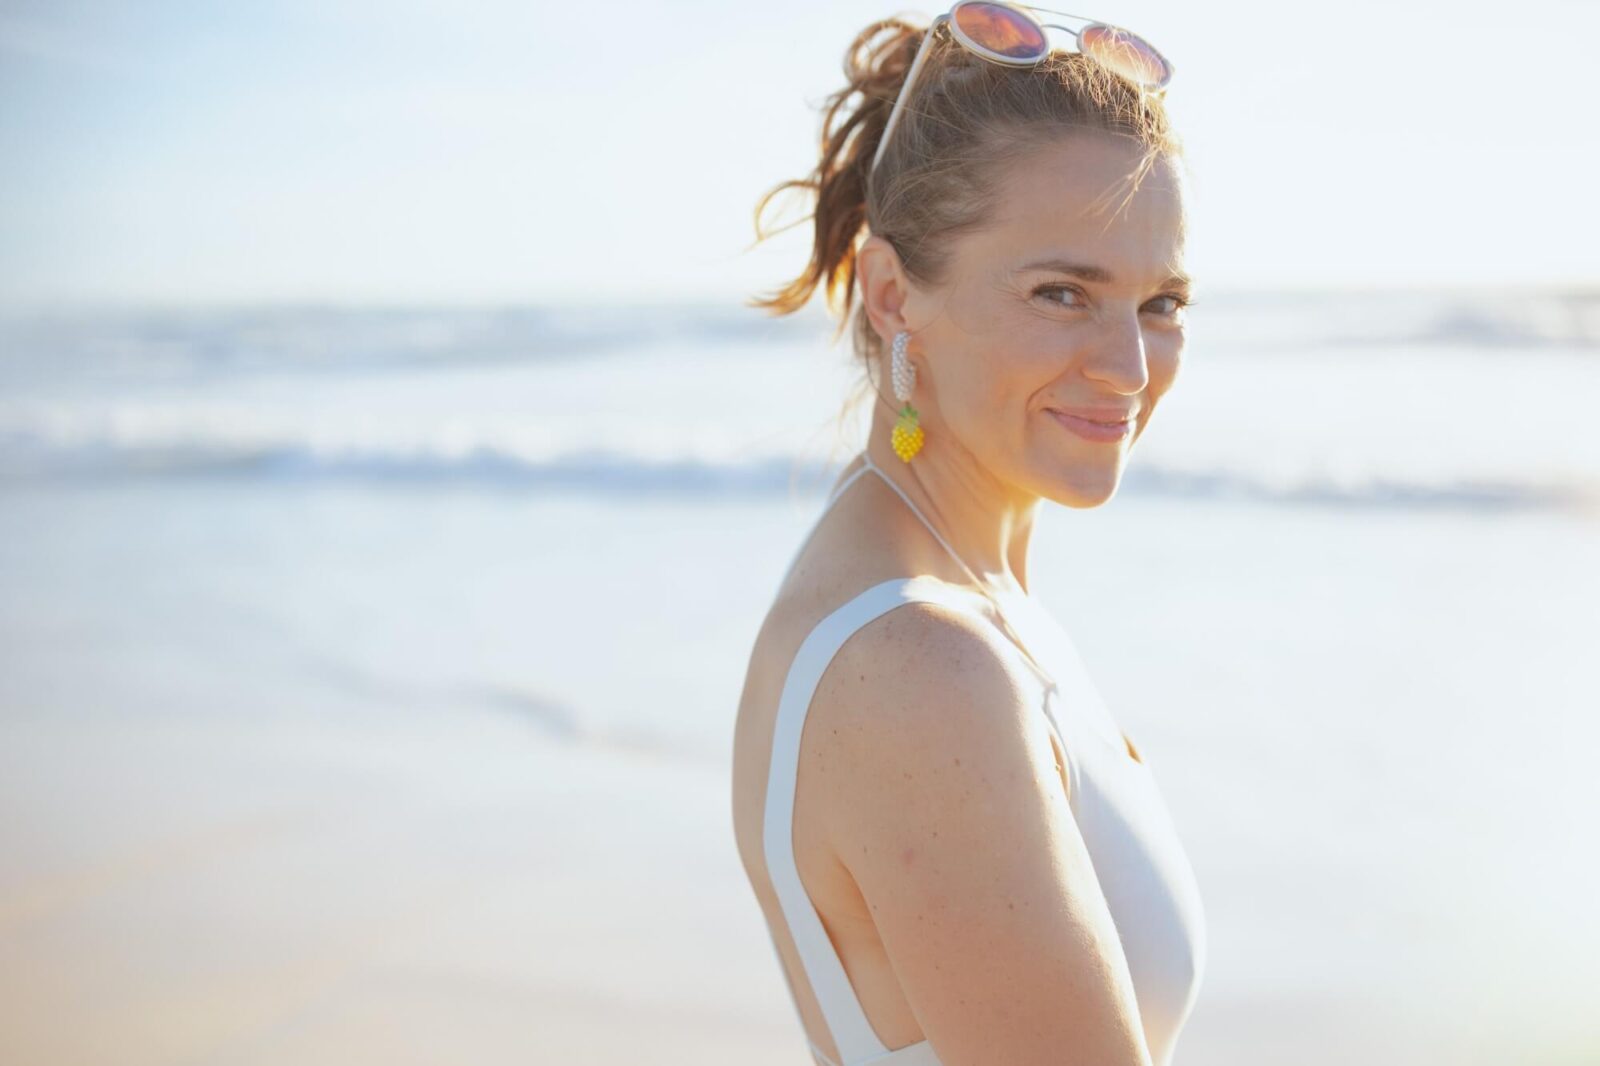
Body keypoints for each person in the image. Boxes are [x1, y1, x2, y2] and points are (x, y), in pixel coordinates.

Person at [730, 9, 1207, 1065]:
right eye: (1061, 292)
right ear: (895, 294)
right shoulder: (917, 665)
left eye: (1160, 301)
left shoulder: (968, 597)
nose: (1130, 366)